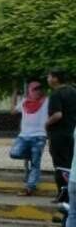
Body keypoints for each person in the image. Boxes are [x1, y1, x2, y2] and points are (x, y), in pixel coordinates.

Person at [10, 82, 49, 196]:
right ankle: (29, 157)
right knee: (14, 153)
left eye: (39, 89)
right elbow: (12, 111)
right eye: (35, 89)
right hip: (24, 136)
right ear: (29, 90)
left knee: (35, 163)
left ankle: (30, 187)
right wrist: (14, 94)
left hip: (39, 136)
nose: (38, 91)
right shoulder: (24, 101)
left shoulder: (47, 101)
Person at [47, 69, 76, 200]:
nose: (48, 79)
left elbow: (58, 115)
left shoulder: (56, 94)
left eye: (49, 76)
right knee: (70, 162)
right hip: (72, 132)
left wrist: (46, 123)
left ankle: (63, 194)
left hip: (59, 134)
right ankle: (70, 192)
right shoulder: (73, 91)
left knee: (60, 165)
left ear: (55, 79)